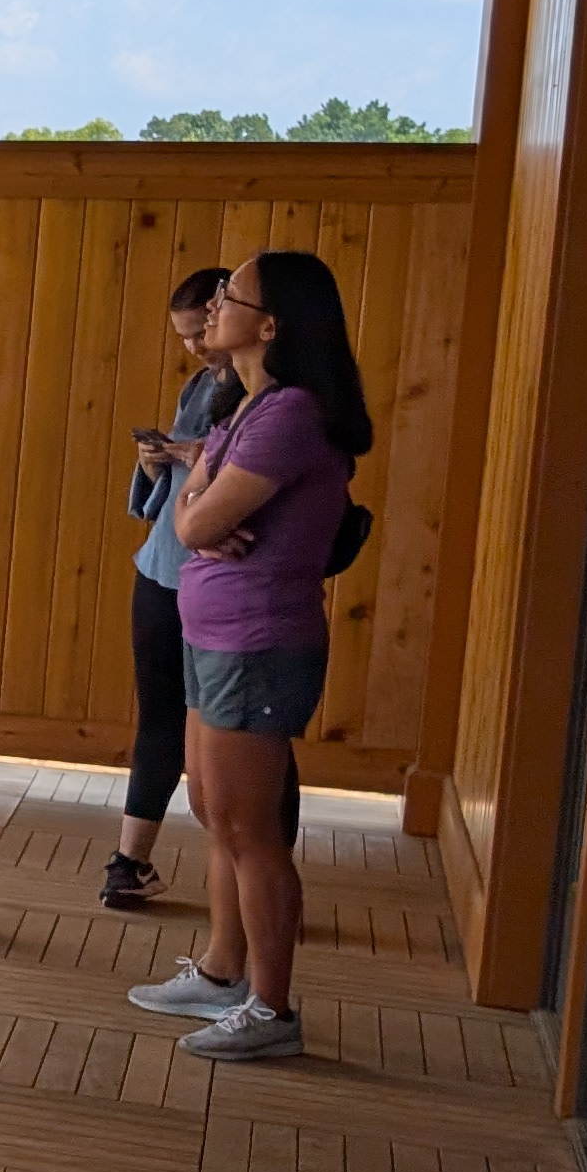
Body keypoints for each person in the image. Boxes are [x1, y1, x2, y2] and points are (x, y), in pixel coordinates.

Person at [130, 248, 370, 1064]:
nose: (214, 305)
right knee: (214, 810)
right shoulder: (242, 407)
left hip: (258, 641)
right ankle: (222, 970)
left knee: (250, 827)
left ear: (270, 326)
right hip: (215, 634)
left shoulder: (290, 413)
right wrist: (201, 499)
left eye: (230, 294)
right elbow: (191, 507)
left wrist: (201, 503)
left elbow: (194, 520)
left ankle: (271, 1007)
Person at [107, 267, 242, 909]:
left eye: (201, 332)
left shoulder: (269, 395)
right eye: (184, 337)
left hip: (221, 577)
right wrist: (155, 462)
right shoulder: (199, 385)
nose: (194, 347)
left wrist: (198, 459)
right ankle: (128, 863)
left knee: (237, 735)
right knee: (159, 715)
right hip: (162, 565)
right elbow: (165, 497)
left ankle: (258, 878)